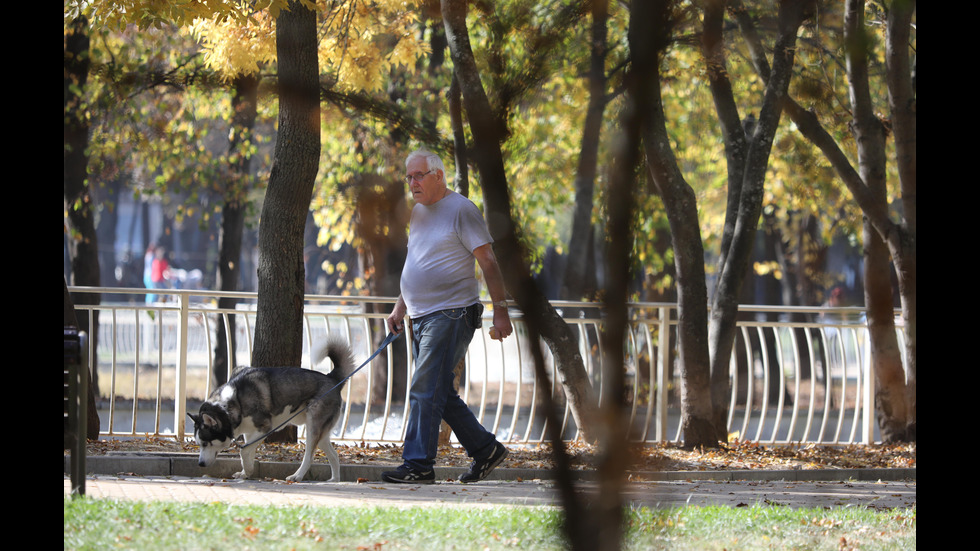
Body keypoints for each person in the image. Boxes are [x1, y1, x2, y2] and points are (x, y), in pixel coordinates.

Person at [382, 149, 514, 484]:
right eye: (409, 177)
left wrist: (501, 312)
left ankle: (418, 465)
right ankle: (486, 450)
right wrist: (401, 306)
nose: (412, 183)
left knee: (424, 387)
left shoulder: (462, 210)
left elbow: (489, 263)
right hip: (421, 315)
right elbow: (417, 263)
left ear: (438, 175)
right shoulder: (418, 213)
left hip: (452, 313)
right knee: (439, 390)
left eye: (418, 176)